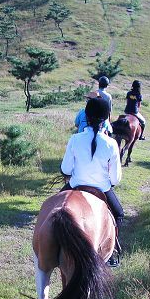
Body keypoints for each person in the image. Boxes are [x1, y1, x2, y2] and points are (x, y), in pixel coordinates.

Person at [61, 97, 124, 267]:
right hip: (102, 189)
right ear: (105, 119)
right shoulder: (111, 144)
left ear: (86, 116)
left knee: (55, 208)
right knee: (119, 214)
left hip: (75, 185)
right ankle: (112, 252)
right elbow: (115, 179)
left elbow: (66, 169)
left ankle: (54, 246)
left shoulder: (75, 139)